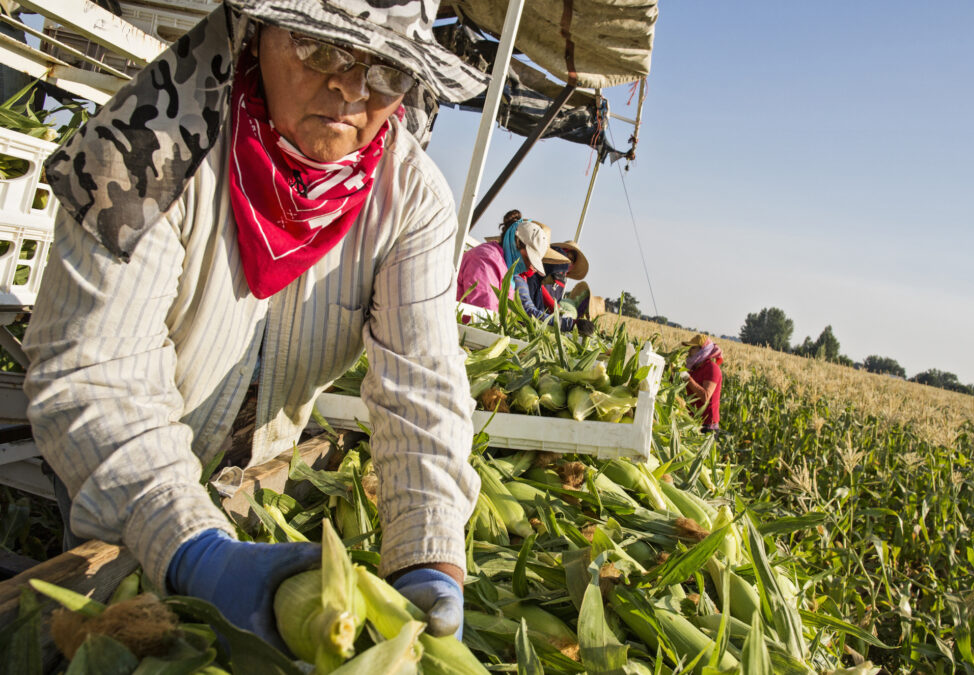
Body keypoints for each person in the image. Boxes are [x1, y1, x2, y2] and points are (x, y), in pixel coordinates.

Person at [22, 0, 487, 648]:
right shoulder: (142, 149)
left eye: (386, 70)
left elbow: (424, 386)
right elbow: (92, 371)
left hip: (255, 481)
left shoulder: (410, 204)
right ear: (258, 31)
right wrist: (193, 549)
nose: (352, 90)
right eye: (324, 48)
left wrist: (430, 555)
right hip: (122, 479)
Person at [457, 211, 595, 335]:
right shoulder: (486, 260)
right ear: (516, 243)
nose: (530, 265)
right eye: (529, 258)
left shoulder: (509, 270)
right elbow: (485, 317)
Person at [680, 334, 724, 433]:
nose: (689, 351)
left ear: (702, 349)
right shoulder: (693, 368)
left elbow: (705, 396)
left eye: (693, 347)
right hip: (693, 421)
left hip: (707, 426)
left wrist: (687, 378)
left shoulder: (712, 369)